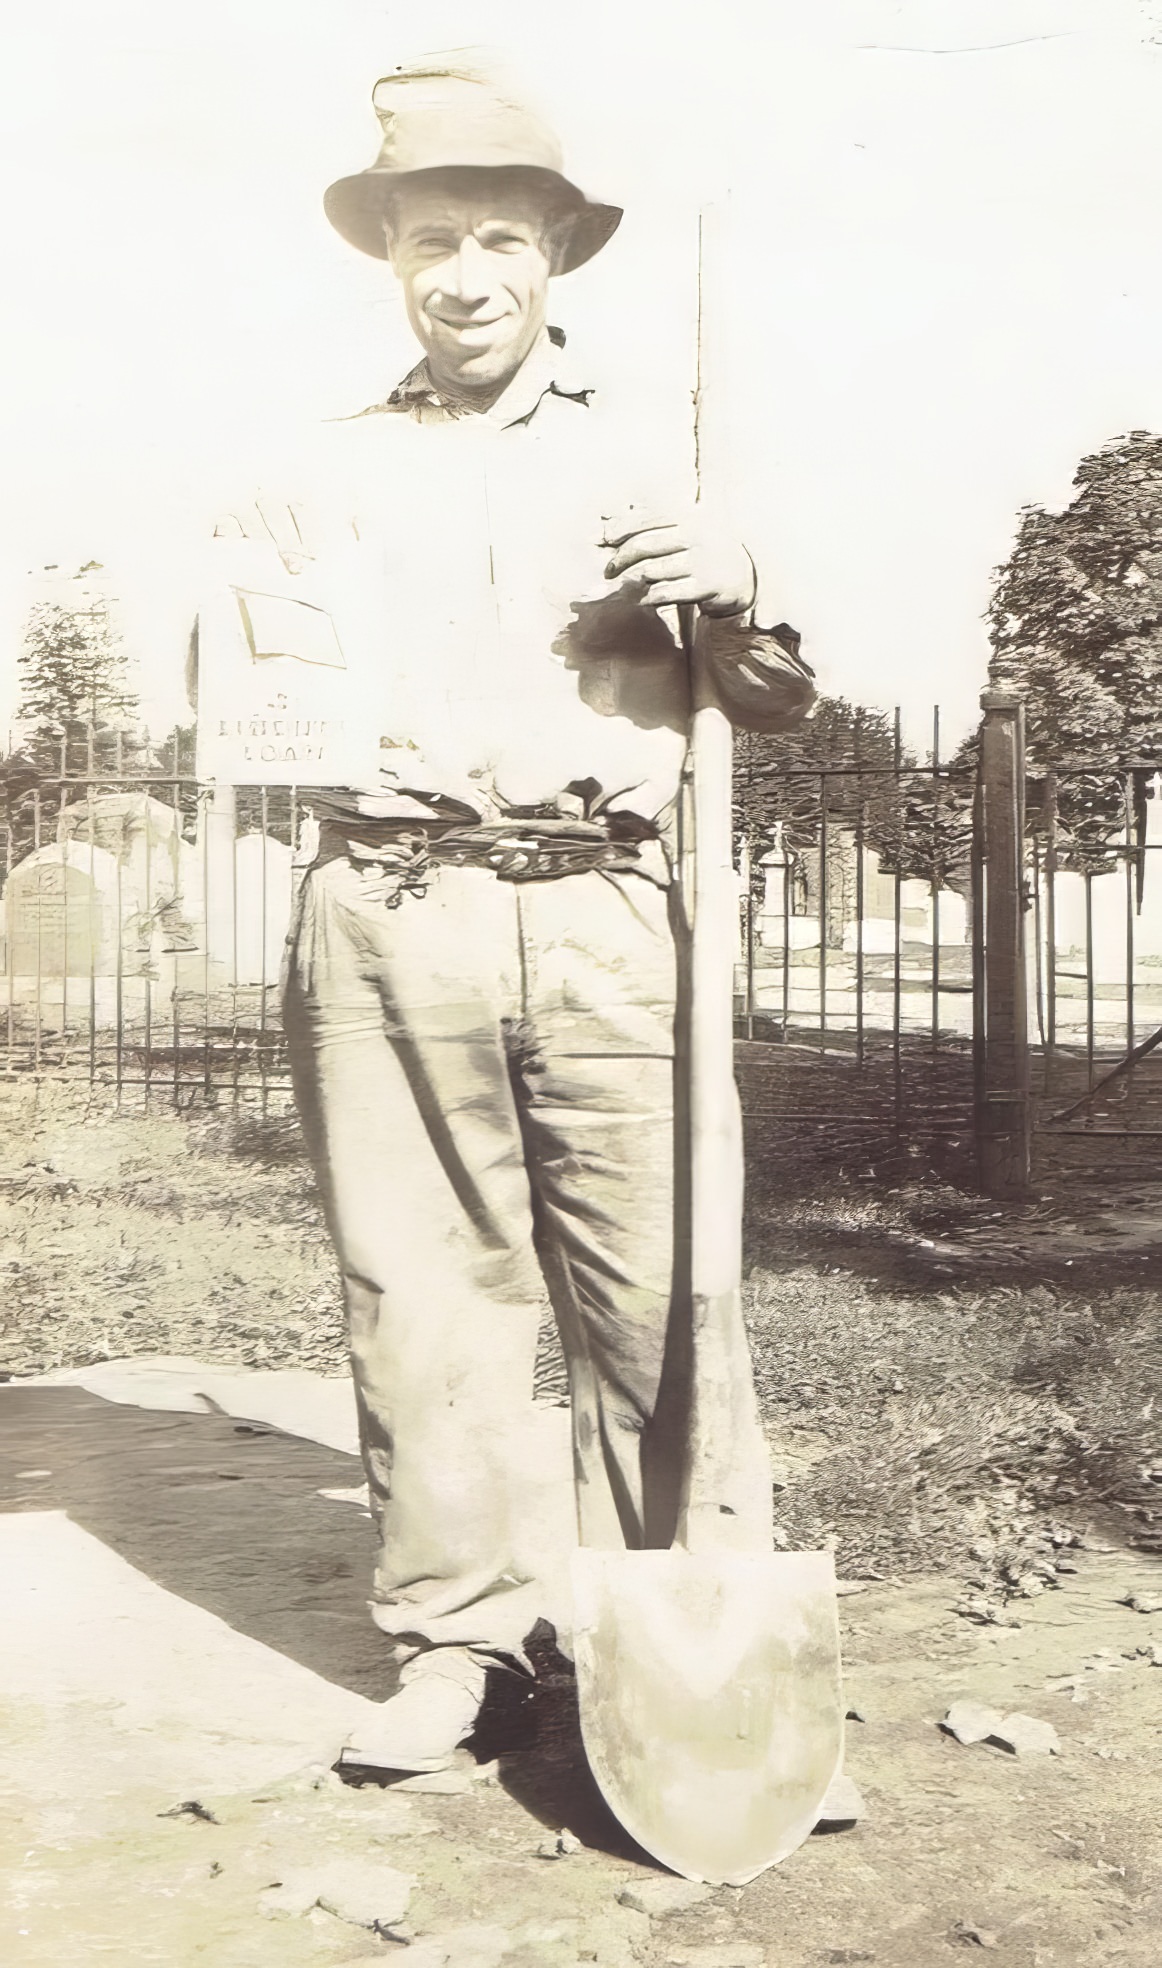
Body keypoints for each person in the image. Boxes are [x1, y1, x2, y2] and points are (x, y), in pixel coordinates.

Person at [210, 61, 815, 1773]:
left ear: (553, 251)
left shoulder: (663, 456)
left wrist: (739, 585)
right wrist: (255, 574)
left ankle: (687, 1636)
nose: (461, 273)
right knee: (421, 1292)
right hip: (387, 910)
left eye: (493, 235)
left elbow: (766, 699)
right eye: (427, 243)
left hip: (611, 912)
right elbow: (258, 679)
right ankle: (460, 1645)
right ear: (390, 263)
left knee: (659, 1288)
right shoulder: (320, 472)